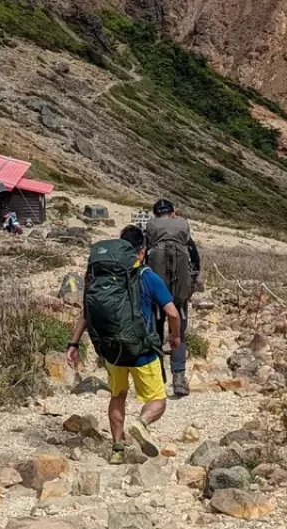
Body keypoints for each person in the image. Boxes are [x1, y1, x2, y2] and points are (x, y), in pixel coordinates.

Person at [66, 225, 182, 464]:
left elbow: (87, 313)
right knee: (158, 400)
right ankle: (141, 423)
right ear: (142, 251)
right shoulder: (147, 275)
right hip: (141, 351)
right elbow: (172, 313)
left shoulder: (102, 274)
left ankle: (117, 449)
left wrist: (73, 343)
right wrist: (176, 336)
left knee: (117, 396)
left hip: (113, 351)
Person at [144, 198, 198, 397]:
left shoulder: (150, 231)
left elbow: (141, 256)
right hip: (180, 295)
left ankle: (158, 376)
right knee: (179, 335)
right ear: (173, 212)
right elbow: (195, 258)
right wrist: (190, 285)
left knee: (156, 333)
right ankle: (179, 379)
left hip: (157, 295)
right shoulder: (183, 231)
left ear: (155, 214)